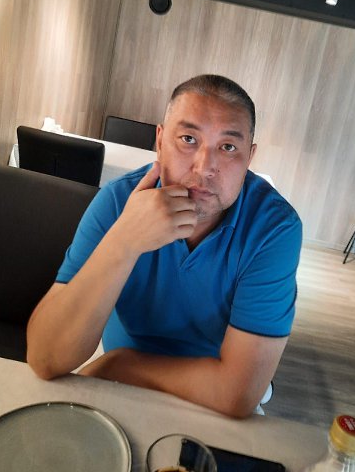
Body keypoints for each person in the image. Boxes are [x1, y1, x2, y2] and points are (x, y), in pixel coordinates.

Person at [27, 74, 302, 418]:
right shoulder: (117, 202)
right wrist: (125, 240)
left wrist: (121, 365)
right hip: (124, 390)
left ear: (249, 157)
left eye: (228, 147)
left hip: (206, 399)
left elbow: (237, 394)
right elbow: (44, 357)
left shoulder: (273, 229)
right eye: (188, 139)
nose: (205, 167)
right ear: (160, 140)